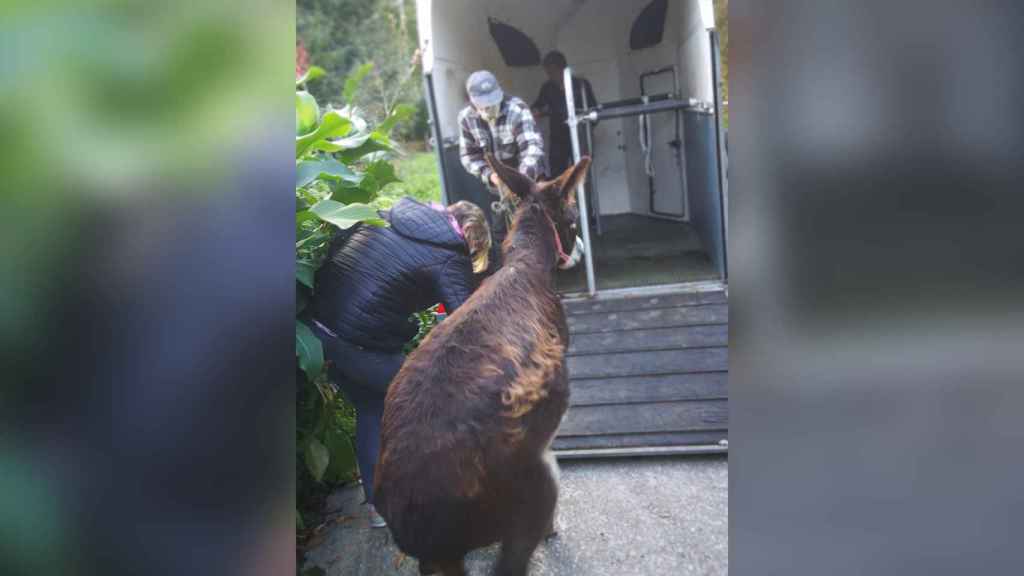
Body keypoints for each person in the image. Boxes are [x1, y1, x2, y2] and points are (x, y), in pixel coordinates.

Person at [304, 198, 492, 528]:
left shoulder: (387, 214)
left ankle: (380, 508)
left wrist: (405, 325)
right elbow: (468, 321)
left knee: (373, 409)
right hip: (359, 345)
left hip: (318, 333)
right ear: (473, 236)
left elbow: (342, 250)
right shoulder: (450, 256)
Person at [458, 70, 546, 271]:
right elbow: (468, 156)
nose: (489, 108)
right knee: (499, 234)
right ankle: (506, 276)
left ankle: (541, 274)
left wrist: (518, 180)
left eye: (492, 102)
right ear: (472, 101)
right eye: (484, 105)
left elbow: (533, 147)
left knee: (536, 229)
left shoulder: (517, 109)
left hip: (526, 181)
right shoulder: (465, 118)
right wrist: (491, 176)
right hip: (496, 188)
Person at [531, 50, 598, 178]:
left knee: (582, 177)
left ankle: (584, 198)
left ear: (562, 68)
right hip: (558, 139)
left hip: (580, 137)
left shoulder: (581, 85)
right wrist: (535, 112)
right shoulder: (547, 88)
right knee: (557, 177)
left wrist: (585, 128)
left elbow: (593, 111)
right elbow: (538, 106)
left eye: (552, 71)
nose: (550, 75)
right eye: (548, 72)